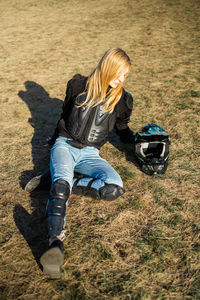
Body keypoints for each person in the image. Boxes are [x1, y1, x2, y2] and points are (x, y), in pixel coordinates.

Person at [29, 48, 135, 278]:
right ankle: (54, 244)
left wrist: (136, 143)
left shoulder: (123, 101)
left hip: (90, 155)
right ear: (106, 67)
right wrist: (54, 139)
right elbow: (64, 116)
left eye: (125, 75)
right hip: (65, 146)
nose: (120, 80)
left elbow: (122, 130)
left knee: (113, 188)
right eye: (118, 73)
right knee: (60, 192)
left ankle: (57, 178)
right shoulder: (78, 86)